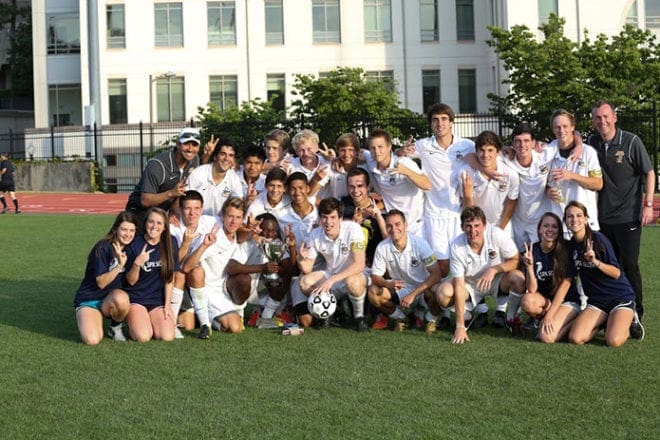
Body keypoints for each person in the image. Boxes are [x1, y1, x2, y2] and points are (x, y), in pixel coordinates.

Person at [588, 100, 656, 333]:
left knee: (629, 265)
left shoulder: (631, 141)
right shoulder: (592, 142)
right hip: (601, 219)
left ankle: (636, 314)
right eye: (598, 117)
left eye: (606, 116)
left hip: (628, 217)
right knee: (607, 267)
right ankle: (613, 311)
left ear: (615, 117)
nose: (602, 121)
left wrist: (647, 205)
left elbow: (649, 172)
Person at [436, 206, 526, 344]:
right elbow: (459, 285)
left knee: (518, 279)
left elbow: (515, 260)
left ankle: (510, 318)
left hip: (497, 280)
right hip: (470, 284)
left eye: (477, 225)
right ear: (462, 227)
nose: (473, 231)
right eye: (468, 226)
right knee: (442, 293)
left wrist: (494, 269)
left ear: (484, 225)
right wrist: (459, 326)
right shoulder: (456, 246)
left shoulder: (496, 234)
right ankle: (467, 316)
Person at [564, 201, 644, 346]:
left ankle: (631, 320)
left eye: (579, 215)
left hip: (619, 297)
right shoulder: (572, 245)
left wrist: (595, 262)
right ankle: (605, 321)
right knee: (576, 338)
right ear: (565, 221)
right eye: (570, 216)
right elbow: (569, 278)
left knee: (613, 341)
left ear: (586, 218)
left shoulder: (598, 240)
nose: (574, 220)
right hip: (597, 301)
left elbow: (616, 273)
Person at [296, 197, 369, 331]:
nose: (328, 222)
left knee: (353, 282)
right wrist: (300, 258)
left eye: (332, 217)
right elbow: (307, 269)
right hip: (332, 275)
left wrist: (332, 280)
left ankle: (359, 318)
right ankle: (330, 312)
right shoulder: (315, 235)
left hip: (354, 274)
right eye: (325, 217)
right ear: (320, 218)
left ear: (340, 218)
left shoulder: (353, 229)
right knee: (304, 282)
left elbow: (359, 265)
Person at [368, 209, 442, 334]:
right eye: (389, 226)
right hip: (402, 289)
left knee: (438, 291)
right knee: (373, 292)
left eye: (397, 224)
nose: (393, 229)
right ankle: (402, 319)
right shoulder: (382, 247)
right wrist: (388, 284)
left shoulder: (420, 244)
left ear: (405, 225)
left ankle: (432, 319)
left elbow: (437, 274)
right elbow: (375, 276)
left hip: (424, 288)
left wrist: (413, 294)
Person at [180, 197, 246, 334]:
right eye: (230, 216)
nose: (234, 221)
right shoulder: (213, 234)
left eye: (238, 217)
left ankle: (202, 317)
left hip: (220, 290)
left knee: (236, 328)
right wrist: (204, 245)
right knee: (187, 326)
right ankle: (204, 321)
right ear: (223, 216)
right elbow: (186, 267)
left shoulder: (236, 237)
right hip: (203, 288)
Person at [74, 211, 137, 345]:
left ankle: (115, 327)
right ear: (115, 229)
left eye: (132, 230)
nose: (128, 234)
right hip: (90, 298)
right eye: (124, 229)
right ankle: (89, 316)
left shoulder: (132, 249)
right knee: (92, 340)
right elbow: (101, 282)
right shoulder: (103, 247)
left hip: (111, 299)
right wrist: (119, 266)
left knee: (122, 298)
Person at [225, 213, 297, 328]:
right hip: (245, 288)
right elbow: (231, 267)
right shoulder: (248, 243)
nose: (270, 234)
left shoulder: (276, 245)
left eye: (273, 231)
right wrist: (262, 268)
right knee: (243, 279)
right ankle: (239, 314)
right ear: (258, 229)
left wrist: (292, 247)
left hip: (265, 288)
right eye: (266, 230)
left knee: (283, 274)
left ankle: (266, 317)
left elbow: (292, 270)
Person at [519, 212, 581, 343]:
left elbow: (565, 286)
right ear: (539, 229)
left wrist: (550, 315)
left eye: (554, 226)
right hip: (547, 302)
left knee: (546, 337)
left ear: (559, 231)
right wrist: (529, 267)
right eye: (546, 226)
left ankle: (577, 320)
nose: (550, 229)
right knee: (527, 301)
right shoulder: (532, 250)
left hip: (567, 301)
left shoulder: (565, 249)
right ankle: (546, 322)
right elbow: (532, 289)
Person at [169, 190, 220, 338]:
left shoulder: (211, 223)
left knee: (197, 271)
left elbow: (232, 217)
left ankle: (205, 324)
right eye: (187, 208)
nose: (192, 213)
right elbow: (177, 265)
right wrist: (186, 244)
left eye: (196, 208)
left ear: (202, 209)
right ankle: (170, 321)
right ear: (180, 209)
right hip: (175, 281)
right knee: (179, 273)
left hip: (198, 281)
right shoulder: (173, 227)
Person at [124, 208, 178, 342]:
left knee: (167, 336)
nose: (154, 226)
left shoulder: (171, 243)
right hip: (136, 298)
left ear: (165, 227)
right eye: (151, 222)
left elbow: (170, 278)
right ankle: (133, 321)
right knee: (143, 336)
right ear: (145, 223)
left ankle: (150, 319)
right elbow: (130, 281)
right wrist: (137, 264)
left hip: (157, 300)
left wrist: (167, 305)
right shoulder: (134, 243)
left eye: (159, 223)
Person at [364, 128, 430, 238]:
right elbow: (357, 153)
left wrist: (407, 172)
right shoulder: (371, 163)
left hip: (416, 227)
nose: (376, 151)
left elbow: (427, 184)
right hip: (393, 228)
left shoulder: (403, 163)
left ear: (389, 147)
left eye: (380, 147)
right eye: (373, 148)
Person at [546, 109, 603, 235]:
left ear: (572, 127)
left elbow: (598, 184)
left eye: (565, 126)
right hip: (559, 224)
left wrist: (572, 176)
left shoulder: (588, 152)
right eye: (557, 127)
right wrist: (548, 191)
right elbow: (543, 183)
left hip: (585, 223)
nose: (561, 131)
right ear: (553, 129)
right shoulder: (547, 152)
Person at [126, 127, 201, 218]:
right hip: (139, 212)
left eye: (194, 145)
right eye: (186, 144)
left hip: (161, 212)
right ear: (178, 144)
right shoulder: (157, 164)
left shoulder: (194, 160)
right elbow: (145, 200)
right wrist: (171, 193)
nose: (190, 149)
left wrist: (173, 210)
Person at [502, 123, 554, 250]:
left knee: (542, 260)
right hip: (518, 221)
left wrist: (579, 143)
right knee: (519, 260)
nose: (522, 145)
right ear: (513, 144)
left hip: (540, 221)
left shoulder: (545, 155)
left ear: (533, 143)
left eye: (526, 141)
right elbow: (477, 154)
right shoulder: (506, 159)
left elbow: (568, 137)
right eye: (518, 141)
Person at [459, 131, 519, 237]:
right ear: (476, 152)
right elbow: (467, 210)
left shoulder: (510, 174)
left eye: (490, 150)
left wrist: (500, 229)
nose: (486, 155)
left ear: (498, 152)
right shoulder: (465, 174)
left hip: (502, 227)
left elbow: (511, 203)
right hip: (477, 229)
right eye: (481, 150)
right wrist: (467, 197)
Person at [186, 138, 242, 217]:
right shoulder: (198, 173)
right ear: (215, 156)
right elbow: (184, 200)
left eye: (231, 155)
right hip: (195, 221)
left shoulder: (234, 178)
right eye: (223, 154)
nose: (226, 158)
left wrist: (249, 200)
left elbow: (239, 205)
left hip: (221, 225)